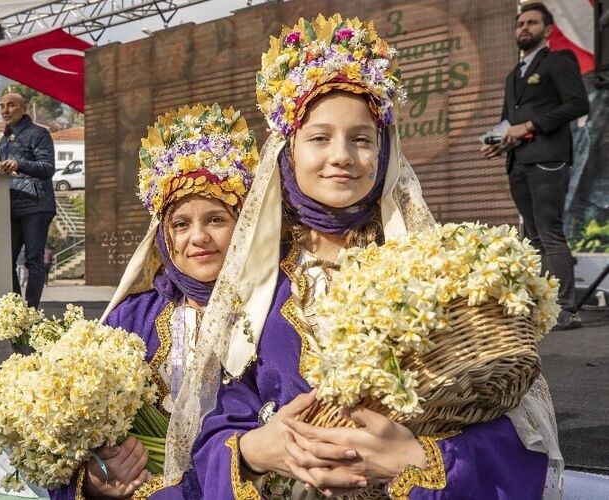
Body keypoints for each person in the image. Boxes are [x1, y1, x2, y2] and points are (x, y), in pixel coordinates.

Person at [161, 15, 562, 500]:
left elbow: (506, 404)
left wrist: (416, 459)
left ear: (385, 151)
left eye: (361, 139)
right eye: (319, 137)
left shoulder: (430, 269)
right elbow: (214, 410)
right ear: (287, 152)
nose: (342, 156)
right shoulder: (258, 278)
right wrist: (251, 450)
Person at [50, 104, 258, 499]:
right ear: (163, 236)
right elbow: (74, 449)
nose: (197, 238)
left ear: (244, 224)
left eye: (216, 219)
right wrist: (94, 481)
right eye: (181, 224)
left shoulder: (271, 312)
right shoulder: (132, 320)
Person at [481, 2, 589, 331]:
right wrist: (500, 140)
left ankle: (566, 309)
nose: (523, 28)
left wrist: (529, 126)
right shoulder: (514, 74)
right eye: (520, 24)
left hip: (548, 159)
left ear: (548, 29)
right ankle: (544, 308)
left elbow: (577, 103)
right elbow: (507, 120)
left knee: (551, 235)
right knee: (534, 240)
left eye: (531, 22)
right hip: (518, 162)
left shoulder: (559, 60)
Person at [0, 91, 57, 308]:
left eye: (11, 105)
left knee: (34, 259)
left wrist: (19, 163)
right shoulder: (2, 142)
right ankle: (15, 311)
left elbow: (47, 168)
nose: (5, 110)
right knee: (6, 261)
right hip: (12, 206)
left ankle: (31, 310)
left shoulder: (38, 134)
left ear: (23, 109)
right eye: (2, 106)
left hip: (37, 204)